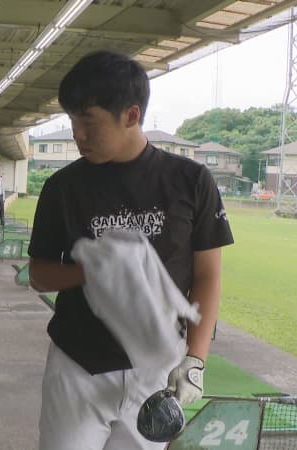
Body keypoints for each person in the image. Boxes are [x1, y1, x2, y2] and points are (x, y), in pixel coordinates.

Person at [28, 50, 233, 449]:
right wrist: (93, 271)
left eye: (88, 122)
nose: (77, 135)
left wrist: (195, 359)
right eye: (72, 121)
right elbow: (40, 273)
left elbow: (207, 277)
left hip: (156, 371)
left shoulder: (190, 181)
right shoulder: (62, 188)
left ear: (132, 116)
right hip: (77, 366)